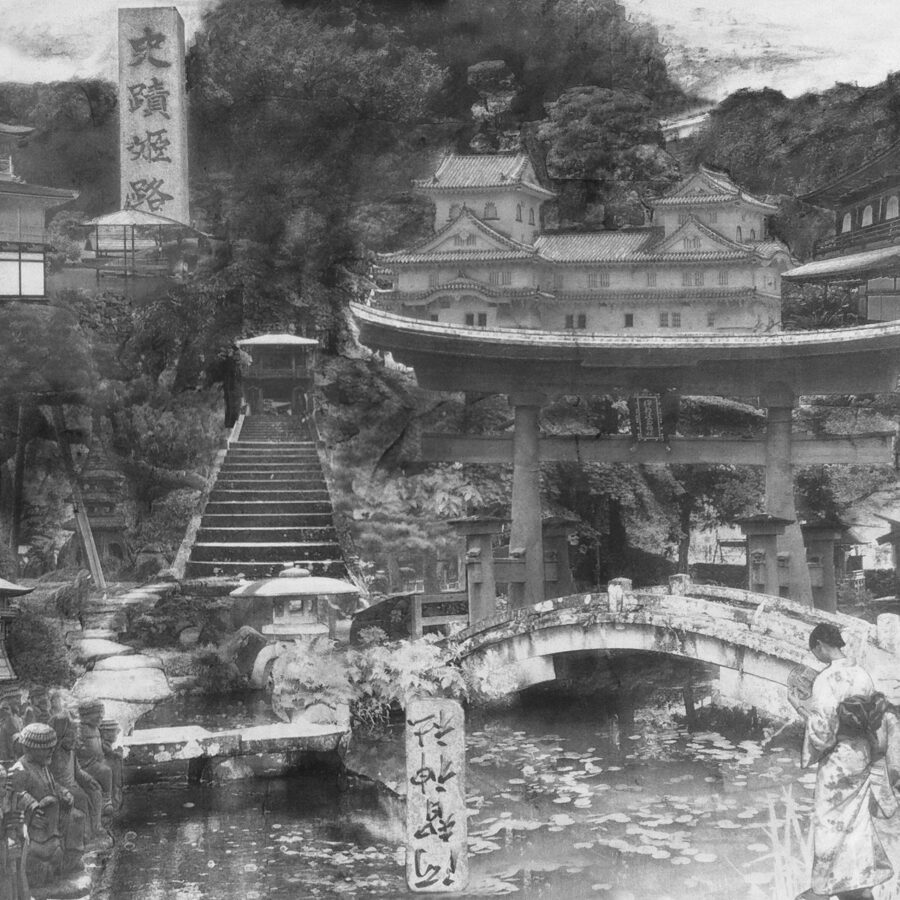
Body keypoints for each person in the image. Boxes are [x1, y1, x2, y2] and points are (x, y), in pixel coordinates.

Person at [790, 623, 894, 900]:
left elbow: (823, 733)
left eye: (815, 651)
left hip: (838, 763)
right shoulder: (862, 674)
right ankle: (859, 882)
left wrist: (798, 705)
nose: (816, 656)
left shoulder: (826, 680)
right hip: (861, 755)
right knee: (857, 822)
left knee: (830, 823)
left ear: (820, 645)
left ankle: (825, 886)